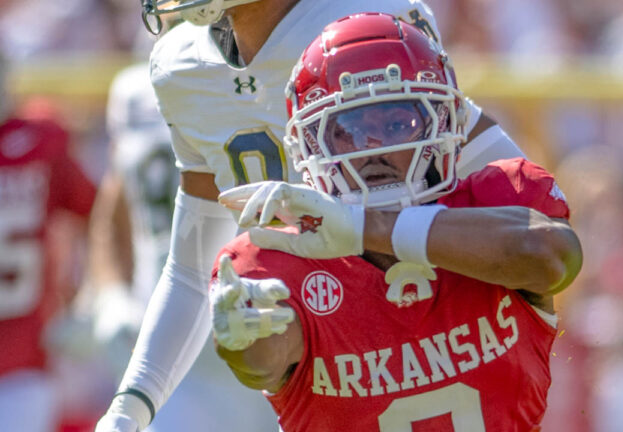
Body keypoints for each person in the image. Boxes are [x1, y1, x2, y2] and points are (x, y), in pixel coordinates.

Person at [96, 0, 529, 430]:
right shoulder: (181, 65)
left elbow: (520, 199)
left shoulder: (368, 17)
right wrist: (128, 409)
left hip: (401, 330)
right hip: (282, 343)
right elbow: (191, 268)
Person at [210, 13, 582, 431]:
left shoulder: (497, 202)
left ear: (442, 122)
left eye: (396, 124)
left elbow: (553, 259)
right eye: (347, 129)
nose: (372, 148)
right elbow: (265, 358)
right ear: (311, 144)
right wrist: (243, 340)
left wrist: (360, 227)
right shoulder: (278, 256)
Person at [88, 61, 278, 431]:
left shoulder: (278, 60)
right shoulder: (133, 89)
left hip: (274, 326)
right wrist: (111, 293)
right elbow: (115, 206)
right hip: (173, 340)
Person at [0, 51, 97, 432]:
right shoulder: (41, 141)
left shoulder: (41, 142)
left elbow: (99, 211)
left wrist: (92, 292)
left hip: (25, 365)